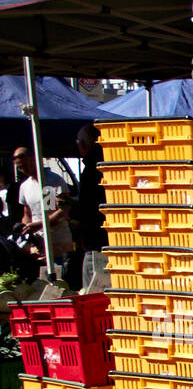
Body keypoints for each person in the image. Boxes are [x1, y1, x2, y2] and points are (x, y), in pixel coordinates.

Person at [13, 145, 76, 270]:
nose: (23, 170)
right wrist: (26, 229)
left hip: (59, 243)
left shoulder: (53, 180)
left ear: (34, 159)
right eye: (20, 167)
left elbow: (63, 211)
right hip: (40, 246)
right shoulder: (25, 186)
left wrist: (39, 225)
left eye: (25, 165)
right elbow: (27, 214)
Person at [73, 124, 110, 291]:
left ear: (83, 145)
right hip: (106, 238)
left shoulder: (90, 171)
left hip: (95, 241)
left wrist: (71, 213)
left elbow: (87, 207)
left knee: (93, 290)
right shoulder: (110, 166)